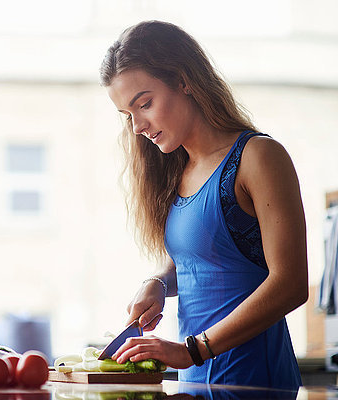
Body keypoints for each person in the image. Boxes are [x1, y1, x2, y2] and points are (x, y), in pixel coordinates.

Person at [99, 20, 308, 390]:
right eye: (128, 115)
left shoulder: (258, 157)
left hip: (254, 385)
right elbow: (208, 260)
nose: (137, 127)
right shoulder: (179, 171)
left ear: (184, 80)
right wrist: (160, 282)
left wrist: (194, 349)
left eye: (144, 104)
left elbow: (291, 284)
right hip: (195, 384)